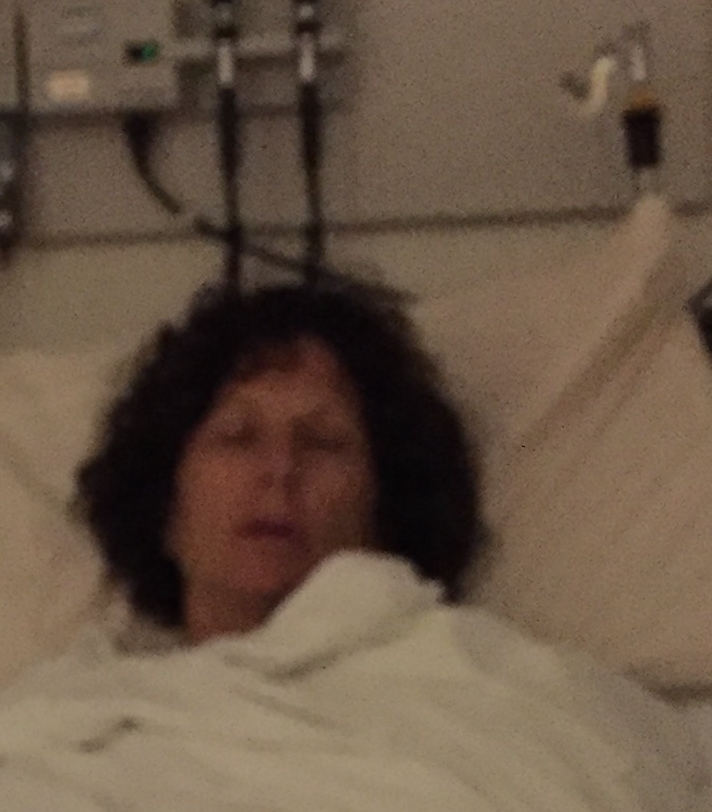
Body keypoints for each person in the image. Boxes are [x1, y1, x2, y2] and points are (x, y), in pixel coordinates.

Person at [73, 276, 483, 644]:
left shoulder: (473, 680)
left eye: (321, 443)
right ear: (164, 507)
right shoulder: (76, 702)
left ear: (388, 509)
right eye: (237, 438)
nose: (281, 468)